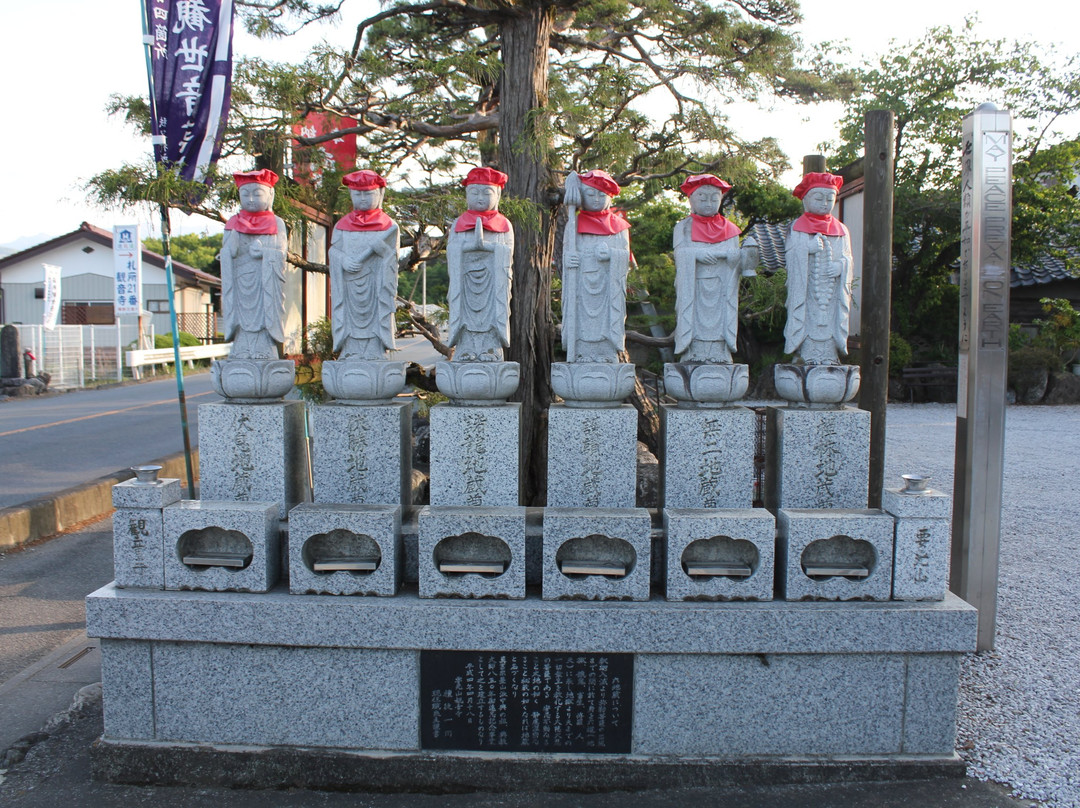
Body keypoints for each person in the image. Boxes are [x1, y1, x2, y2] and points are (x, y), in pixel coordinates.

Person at [672, 174, 757, 364]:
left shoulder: (731, 229)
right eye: (702, 198)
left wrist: (739, 257)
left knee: (719, 321)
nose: (709, 203)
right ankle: (693, 352)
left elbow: (735, 258)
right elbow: (680, 254)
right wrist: (697, 255)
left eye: (714, 198)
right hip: (695, 286)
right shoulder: (683, 227)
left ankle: (720, 352)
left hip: (722, 286)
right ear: (691, 200)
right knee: (696, 319)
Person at [328, 169, 399, 360]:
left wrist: (382, 250)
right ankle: (350, 349)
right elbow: (334, 251)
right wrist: (343, 260)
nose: (363, 198)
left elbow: (392, 258)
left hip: (375, 284)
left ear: (380, 194)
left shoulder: (389, 226)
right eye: (357, 194)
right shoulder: (342, 225)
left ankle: (375, 350)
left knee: (375, 316)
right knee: (351, 318)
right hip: (350, 285)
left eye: (368, 193)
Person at [783, 172, 854, 366]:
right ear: (806, 199)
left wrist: (841, 266)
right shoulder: (797, 227)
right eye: (818, 197)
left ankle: (830, 355)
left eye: (829, 199)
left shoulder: (842, 230)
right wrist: (807, 249)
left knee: (830, 321)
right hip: (808, 293)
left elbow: (848, 257)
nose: (824, 203)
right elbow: (790, 256)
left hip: (831, 294)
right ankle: (805, 352)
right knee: (808, 320)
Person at [562, 169, 631, 363]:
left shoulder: (619, 227)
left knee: (605, 319)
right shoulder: (573, 225)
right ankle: (581, 351)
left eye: (601, 195)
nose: (595, 199)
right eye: (590, 194)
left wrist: (611, 255)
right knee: (583, 319)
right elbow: (567, 255)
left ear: (610, 198)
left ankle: (607, 352)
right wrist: (570, 261)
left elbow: (624, 258)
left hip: (607, 287)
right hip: (582, 284)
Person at [446, 166, 514, 362]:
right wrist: (467, 248)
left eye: (487, 192)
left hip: (493, 283)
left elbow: (507, 252)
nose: (480, 198)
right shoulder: (459, 224)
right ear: (467, 195)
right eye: (474, 192)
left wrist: (489, 248)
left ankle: (490, 349)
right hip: (466, 282)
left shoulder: (504, 225)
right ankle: (465, 349)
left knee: (491, 317)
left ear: (498, 195)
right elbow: (452, 251)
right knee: (466, 317)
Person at [221, 169, 287, 360]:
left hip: (264, 281)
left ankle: (264, 347)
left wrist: (265, 253)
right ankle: (241, 347)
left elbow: (281, 253)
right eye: (245, 194)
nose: (250, 199)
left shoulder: (277, 223)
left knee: (263, 314)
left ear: (270, 195)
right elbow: (227, 254)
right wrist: (229, 250)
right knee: (243, 317)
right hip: (241, 282)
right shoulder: (233, 223)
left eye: (257, 194)